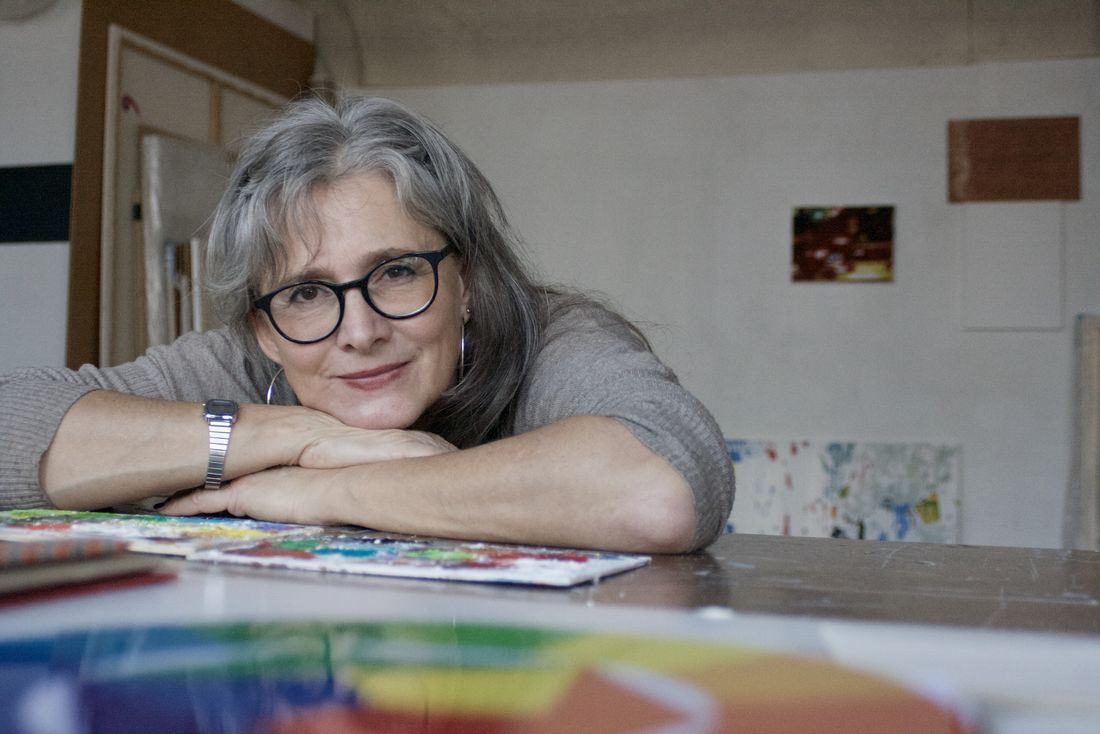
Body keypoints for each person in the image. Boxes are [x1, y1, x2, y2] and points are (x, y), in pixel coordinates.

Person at [0, 96, 733, 553]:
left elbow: (657, 490)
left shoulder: (553, 339)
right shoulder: (253, 358)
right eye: (307, 292)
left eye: (397, 272)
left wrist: (325, 491)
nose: (358, 330)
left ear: (467, 283)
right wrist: (300, 437)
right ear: (262, 329)